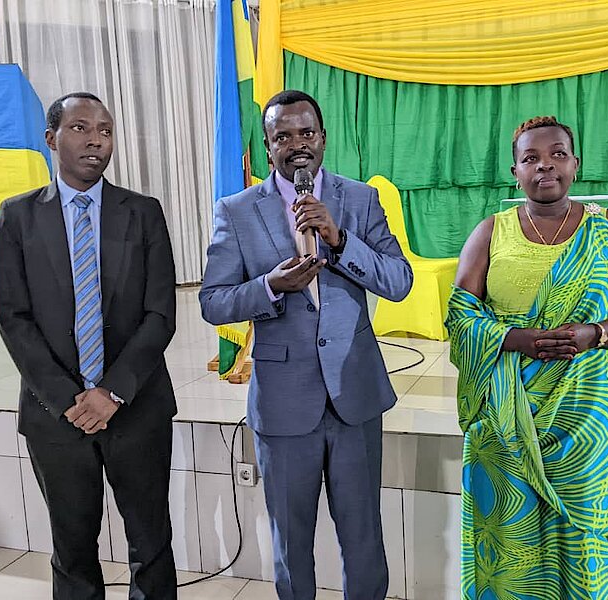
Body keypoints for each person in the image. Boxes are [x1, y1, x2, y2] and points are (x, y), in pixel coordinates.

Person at [199, 89, 412, 599]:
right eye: (283, 136)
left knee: (363, 534)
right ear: (268, 146)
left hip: (354, 395)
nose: (297, 144)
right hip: (283, 402)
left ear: (323, 138)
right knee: (291, 541)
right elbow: (213, 301)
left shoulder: (359, 199)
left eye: (306, 133)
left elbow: (398, 281)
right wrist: (270, 286)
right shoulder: (237, 210)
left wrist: (340, 241)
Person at [446, 116, 608, 598]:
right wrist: (515, 339)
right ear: (515, 172)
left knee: (590, 542)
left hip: (595, 420)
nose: (545, 166)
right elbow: (461, 317)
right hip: (508, 418)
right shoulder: (491, 232)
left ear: (576, 164)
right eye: (531, 158)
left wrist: (595, 333)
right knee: (515, 544)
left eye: (557, 155)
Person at [0, 92, 178, 599]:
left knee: (152, 544)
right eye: (80, 127)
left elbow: (161, 314)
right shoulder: (18, 217)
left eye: (106, 130)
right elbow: (14, 319)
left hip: (136, 407)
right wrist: (70, 400)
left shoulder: (143, 213)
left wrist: (111, 392)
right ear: (50, 139)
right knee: (72, 550)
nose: (96, 139)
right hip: (57, 416)